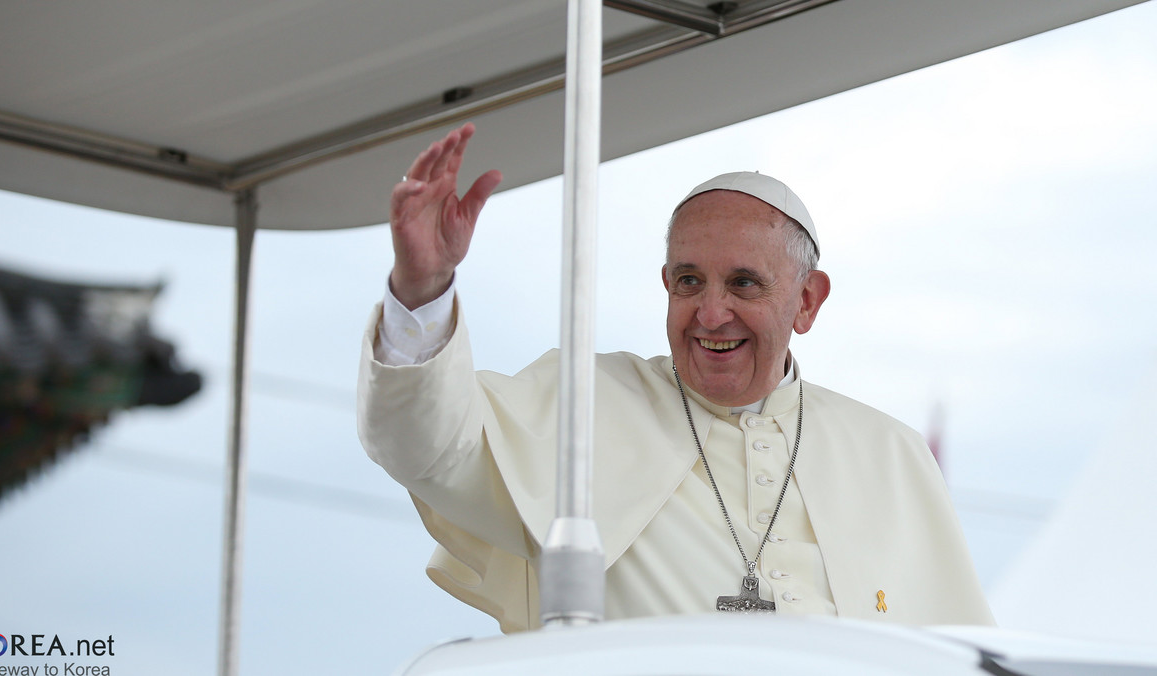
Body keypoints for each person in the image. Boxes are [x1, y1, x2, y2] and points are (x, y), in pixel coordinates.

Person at [357, 123, 993, 632]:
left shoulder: (890, 453)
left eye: (743, 283)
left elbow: (953, 650)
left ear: (806, 302)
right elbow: (428, 445)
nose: (711, 314)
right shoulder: (584, 407)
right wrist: (422, 288)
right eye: (689, 281)